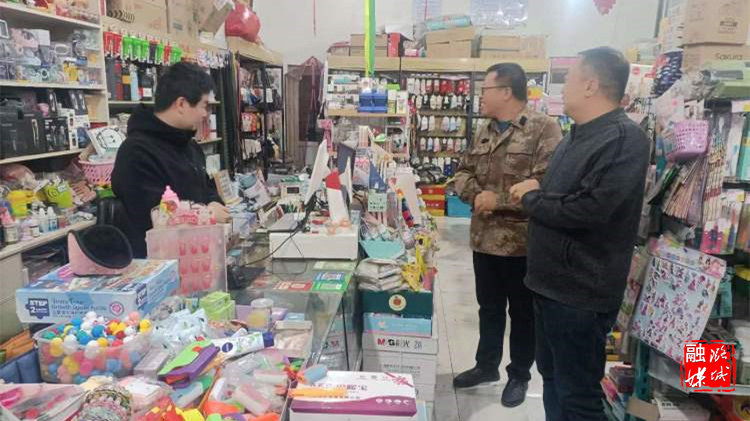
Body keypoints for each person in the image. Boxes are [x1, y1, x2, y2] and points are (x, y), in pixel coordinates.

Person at [510, 47, 650, 420]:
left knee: (578, 396)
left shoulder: (623, 139)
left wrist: (533, 197)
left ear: (590, 85)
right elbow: (565, 196)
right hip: (549, 286)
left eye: (569, 79)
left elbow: (590, 209)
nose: (563, 87)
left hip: (580, 295)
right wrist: (539, 192)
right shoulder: (576, 136)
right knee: (552, 379)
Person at [452, 63, 562, 407]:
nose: (480, 96)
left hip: (522, 245)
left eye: (485, 89)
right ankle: (486, 365)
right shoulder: (483, 129)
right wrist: (475, 196)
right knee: (489, 308)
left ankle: (519, 375)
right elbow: (462, 172)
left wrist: (496, 200)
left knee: (523, 314)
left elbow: (546, 185)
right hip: (484, 240)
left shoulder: (544, 129)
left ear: (506, 92)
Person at [112, 62, 230, 258]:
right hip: (160, 264)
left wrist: (214, 205)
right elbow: (156, 216)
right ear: (181, 104)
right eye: (204, 106)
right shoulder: (136, 152)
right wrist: (207, 214)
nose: (205, 114)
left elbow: (208, 190)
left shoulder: (190, 146)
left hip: (197, 257)